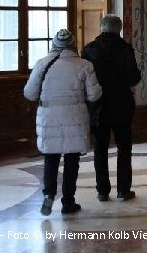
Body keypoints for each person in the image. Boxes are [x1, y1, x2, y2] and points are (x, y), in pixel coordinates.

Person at [23, 29, 102, 216]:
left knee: (51, 158)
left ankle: (49, 194)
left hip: (48, 116)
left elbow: (29, 93)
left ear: (54, 44)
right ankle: (68, 201)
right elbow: (94, 95)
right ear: (73, 44)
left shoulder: (42, 64)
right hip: (75, 115)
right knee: (72, 160)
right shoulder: (84, 65)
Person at [81, 15, 142, 202]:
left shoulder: (89, 50)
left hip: (98, 105)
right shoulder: (125, 49)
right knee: (124, 148)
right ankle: (123, 190)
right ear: (119, 29)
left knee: (100, 148)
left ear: (101, 28)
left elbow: (84, 81)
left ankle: (102, 191)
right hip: (121, 105)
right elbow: (133, 79)